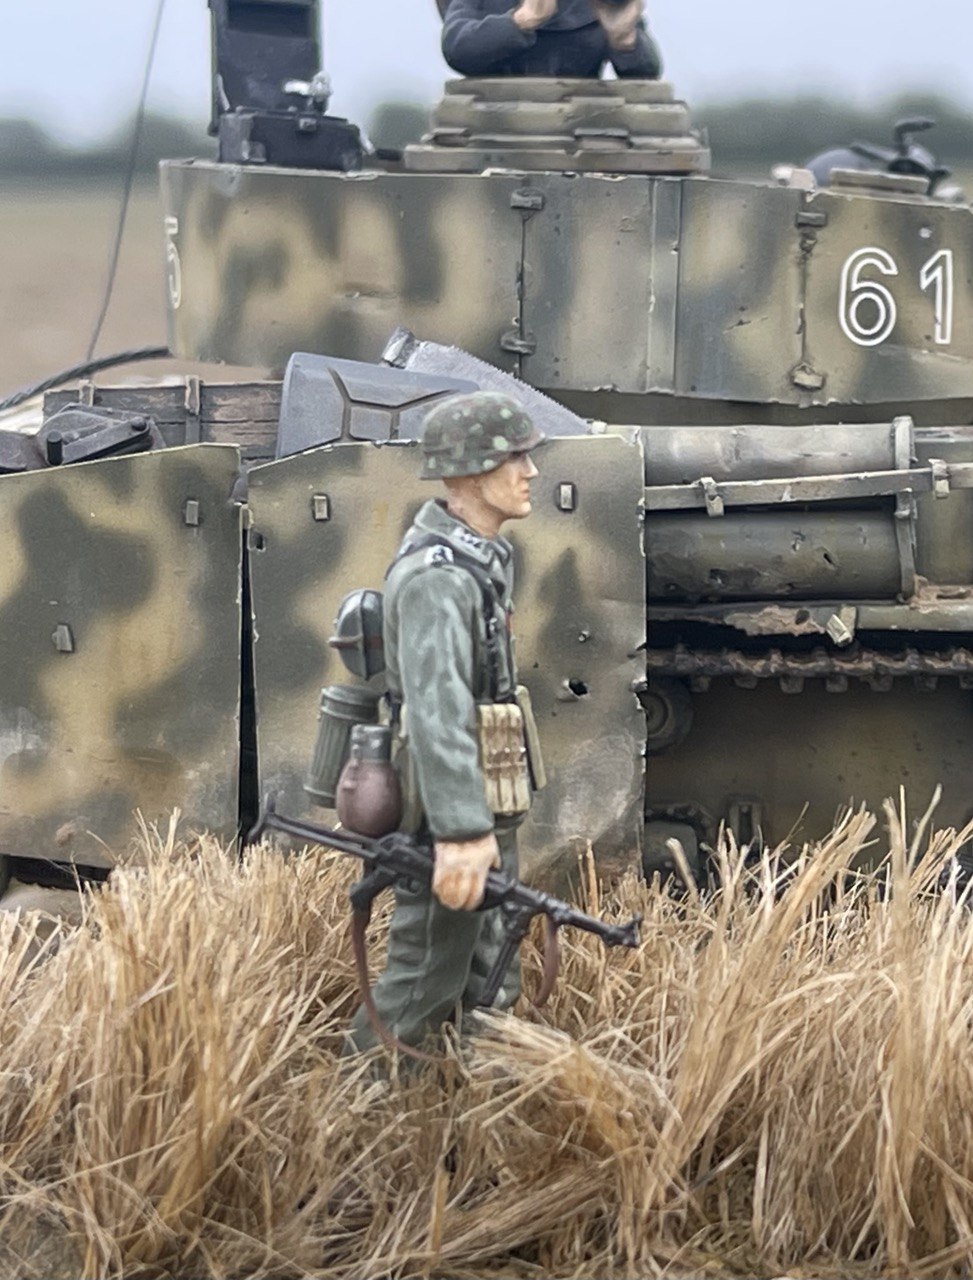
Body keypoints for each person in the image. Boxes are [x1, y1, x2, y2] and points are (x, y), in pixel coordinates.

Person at [346, 391, 545, 1055]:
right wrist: (461, 832)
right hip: (446, 810)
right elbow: (436, 711)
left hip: (485, 799)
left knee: (494, 968)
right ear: (467, 473)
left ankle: (481, 1099)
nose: (530, 471)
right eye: (513, 457)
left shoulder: (480, 561)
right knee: (424, 976)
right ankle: (361, 1103)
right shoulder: (438, 577)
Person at [441, 0, 663, 80]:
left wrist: (624, 40)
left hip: (584, 126)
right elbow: (457, 48)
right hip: (491, 124)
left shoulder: (599, 5)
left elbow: (646, 72)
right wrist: (520, 21)